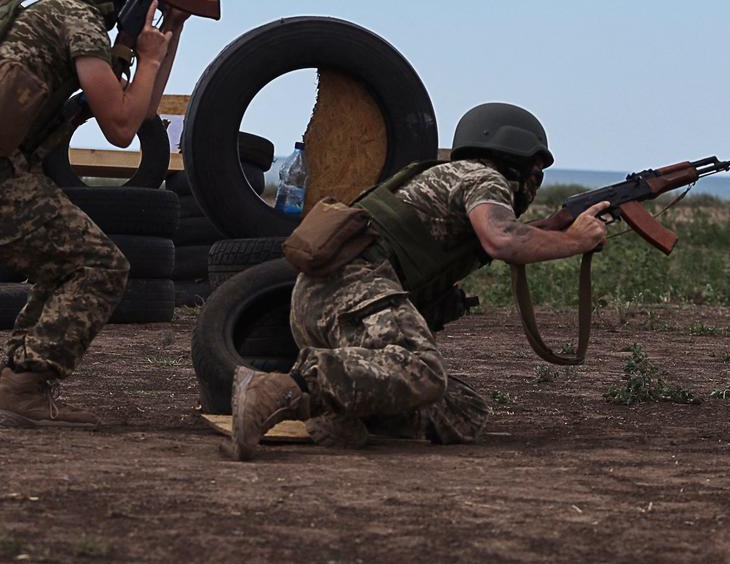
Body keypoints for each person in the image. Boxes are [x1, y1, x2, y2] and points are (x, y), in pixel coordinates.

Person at [0, 0, 204, 429]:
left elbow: (138, 110)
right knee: (102, 267)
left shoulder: (50, 14)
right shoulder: (79, 22)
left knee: (63, 267)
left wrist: (167, 34)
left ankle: (9, 390)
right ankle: (23, 389)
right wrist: (149, 55)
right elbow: (120, 128)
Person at [229, 102, 610, 460]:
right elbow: (504, 239)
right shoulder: (485, 179)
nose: (534, 184)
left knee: (460, 413)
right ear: (517, 159)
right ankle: (281, 390)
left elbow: (506, 235)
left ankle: (340, 414)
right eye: (535, 173)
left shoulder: (447, 176)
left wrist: (559, 230)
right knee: (422, 369)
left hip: (323, 297)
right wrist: (578, 240)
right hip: (355, 288)